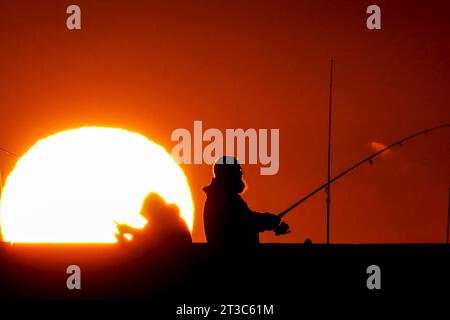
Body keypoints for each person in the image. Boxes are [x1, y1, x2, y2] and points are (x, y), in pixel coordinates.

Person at [203, 156, 290, 251]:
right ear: (228, 173)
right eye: (238, 169)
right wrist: (269, 220)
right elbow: (247, 221)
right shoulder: (224, 199)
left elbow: (247, 219)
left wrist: (269, 221)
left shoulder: (221, 196)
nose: (241, 173)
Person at [115, 192, 192, 249]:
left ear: (152, 210)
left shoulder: (170, 220)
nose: (147, 219)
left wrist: (130, 230)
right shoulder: (165, 220)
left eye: (148, 215)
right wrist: (125, 242)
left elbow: (151, 238)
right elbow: (143, 240)